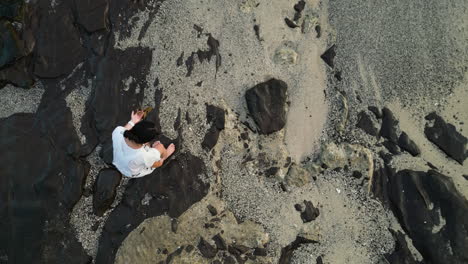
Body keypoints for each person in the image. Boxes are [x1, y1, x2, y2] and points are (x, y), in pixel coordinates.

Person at [112, 110, 175, 178]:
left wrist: (132, 121)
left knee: (154, 150)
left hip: (117, 162)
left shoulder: (118, 131)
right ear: (145, 142)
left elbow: (125, 129)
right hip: (131, 172)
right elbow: (157, 164)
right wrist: (160, 152)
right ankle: (165, 156)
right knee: (160, 148)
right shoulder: (144, 156)